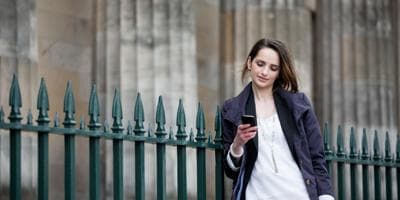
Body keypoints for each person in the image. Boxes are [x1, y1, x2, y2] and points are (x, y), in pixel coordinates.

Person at [222, 38, 334, 200]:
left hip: (298, 194)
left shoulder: (298, 105)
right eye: (260, 64)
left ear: (279, 72)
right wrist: (237, 144)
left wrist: (325, 196)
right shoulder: (232, 109)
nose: (265, 72)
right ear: (249, 63)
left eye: (273, 68)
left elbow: (316, 157)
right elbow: (231, 172)